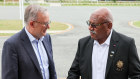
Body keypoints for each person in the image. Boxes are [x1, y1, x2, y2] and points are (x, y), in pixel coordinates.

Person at [67, 7, 140, 79]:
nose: (90, 28)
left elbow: (136, 75)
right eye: (89, 23)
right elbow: (73, 73)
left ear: (109, 26)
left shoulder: (126, 45)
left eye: (94, 25)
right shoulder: (83, 44)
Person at [2, 4, 57, 79]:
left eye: (48, 22)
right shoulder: (12, 45)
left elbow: (51, 71)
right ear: (32, 24)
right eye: (45, 24)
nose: (48, 27)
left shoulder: (47, 38)